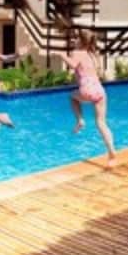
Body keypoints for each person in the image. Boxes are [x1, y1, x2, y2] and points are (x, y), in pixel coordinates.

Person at [53, 29, 118, 167]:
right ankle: (112, 153)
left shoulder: (77, 53)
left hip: (87, 89)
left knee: (72, 97)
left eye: (76, 38)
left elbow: (73, 65)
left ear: (81, 41)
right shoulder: (93, 54)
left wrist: (62, 55)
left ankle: (80, 120)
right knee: (101, 123)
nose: (74, 40)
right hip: (100, 90)